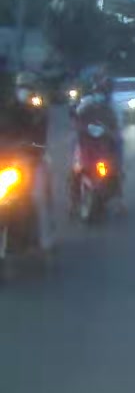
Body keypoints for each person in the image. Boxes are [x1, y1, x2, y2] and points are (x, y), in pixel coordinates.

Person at [0, 61, 55, 252]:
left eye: (28, 87)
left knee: (38, 196)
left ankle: (46, 240)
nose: (24, 91)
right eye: (21, 87)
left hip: (32, 160)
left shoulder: (38, 112)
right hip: (7, 161)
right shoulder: (7, 108)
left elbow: (41, 139)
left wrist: (32, 147)